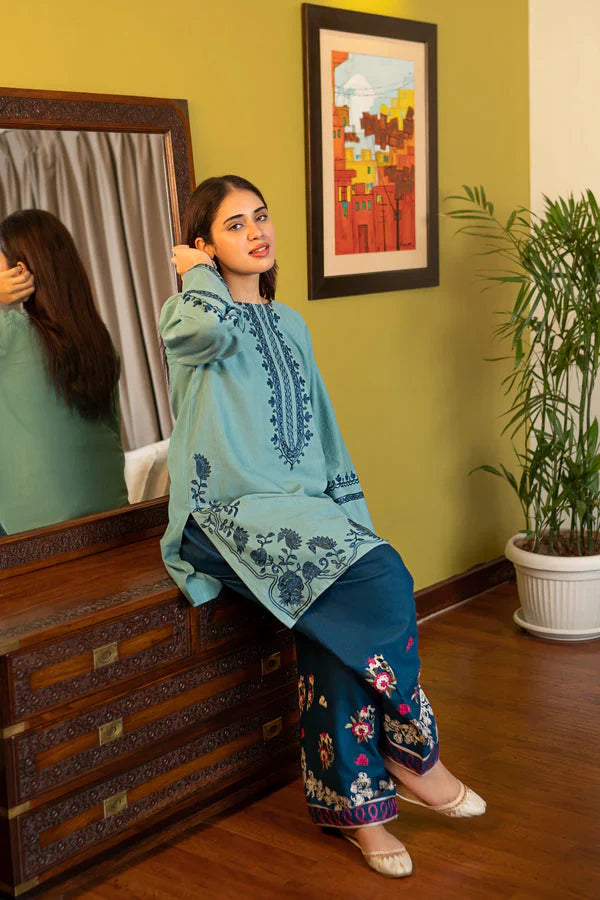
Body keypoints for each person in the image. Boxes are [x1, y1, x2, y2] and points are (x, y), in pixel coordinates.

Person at [160, 175, 486, 879]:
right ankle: (411, 753)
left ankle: (360, 812)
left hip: (299, 514)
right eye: (234, 225)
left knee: (342, 621)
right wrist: (199, 276)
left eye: (261, 216)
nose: (257, 232)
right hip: (223, 514)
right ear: (203, 245)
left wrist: (353, 523)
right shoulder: (188, 313)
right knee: (380, 580)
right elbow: (209, 332)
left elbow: (324, 436)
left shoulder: (290, 324)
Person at [0, 209, 128, 536]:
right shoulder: (98, 341)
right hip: (115, 519)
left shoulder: (9, 335)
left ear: (19, 271)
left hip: (39, 540)